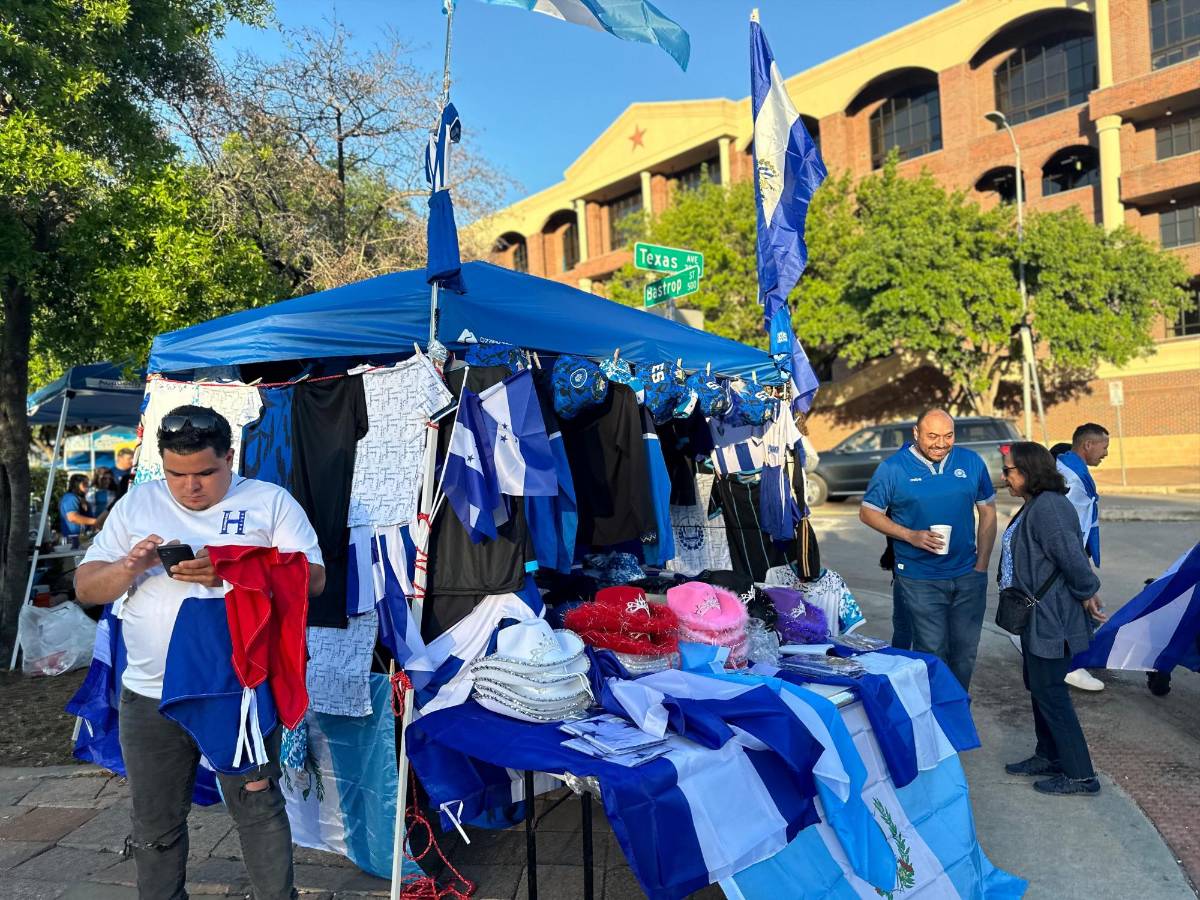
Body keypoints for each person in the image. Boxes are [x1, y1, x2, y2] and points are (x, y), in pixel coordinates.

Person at [74, 405, 326, 900]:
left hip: (238, 692)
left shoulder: (267, 502)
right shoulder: (137, 504)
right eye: (177, 474)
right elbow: (86, 587)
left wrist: (238, 568)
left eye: (206, 473)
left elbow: (314, 579)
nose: (191, 487)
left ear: (230, 458)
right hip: (148, 693)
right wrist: (128, 567)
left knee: (256, 808)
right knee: (154, 821)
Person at [860, 409, 997, 690]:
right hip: (919, 577)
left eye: (948, 436)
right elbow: (868, 512)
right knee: (932, 651)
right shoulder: (893, 468)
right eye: (932, 436)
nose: (941, 443)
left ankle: (957, 708)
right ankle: (934, 711)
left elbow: (988, 510)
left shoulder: (971, 462)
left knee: (965, 652)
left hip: (968, 575)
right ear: (916, 433)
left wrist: (982, 564)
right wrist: (909, 535)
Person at [999, 442, 1106, 796]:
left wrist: (1088, 590)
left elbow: (1072, 558)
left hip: (1052, 617)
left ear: (1030, 472)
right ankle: (1049, 755)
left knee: (1051, 693)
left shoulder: (1049, 508)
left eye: (1009, 470)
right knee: (1039, 687)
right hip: (1037, 616)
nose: (1005, 477)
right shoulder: (1035, 505)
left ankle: (1080, 775)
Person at [1056, 424, 1110, 693]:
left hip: (1074, 550)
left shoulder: (1073, 470)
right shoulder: (1070, 478)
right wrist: (1082, 570)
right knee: (1079, 607)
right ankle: (1071, 666)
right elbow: (1066, 529)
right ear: (1088, 445)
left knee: (1081, 606)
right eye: (1104, 447)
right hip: (1067, 553)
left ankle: (1074, 658)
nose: (1106, 453)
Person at [59, 474, 98, 542]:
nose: (87, 487)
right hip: (72, 540)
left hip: (81, 538)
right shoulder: (70, 498)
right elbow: (72, 517)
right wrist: (96, 522)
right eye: (84, 484)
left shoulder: (80, 498)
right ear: (76, 484)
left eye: (88, 484)